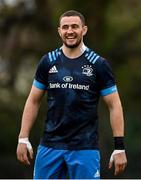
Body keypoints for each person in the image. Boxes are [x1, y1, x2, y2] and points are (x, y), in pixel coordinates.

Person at [16, 10, 127, 179]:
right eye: (65, 27)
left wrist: (119, 147)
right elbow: (33, 100)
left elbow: (114, 105)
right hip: (50, 147)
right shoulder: (48, 61)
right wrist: (23, 138)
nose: (70, 31)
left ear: (84, 30)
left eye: (75, 26)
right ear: (59, 31)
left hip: (85, 148)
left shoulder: (99, 64)